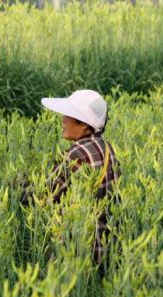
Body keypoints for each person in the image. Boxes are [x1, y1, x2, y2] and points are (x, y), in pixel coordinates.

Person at [35, 89, 120, 266]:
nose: (63, 121)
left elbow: (45, 195)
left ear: (83, 124)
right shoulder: (107, 147)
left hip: (79, 248)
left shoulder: (77, 154)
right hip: (106, 244)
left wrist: (17, 188)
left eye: (68, 116)